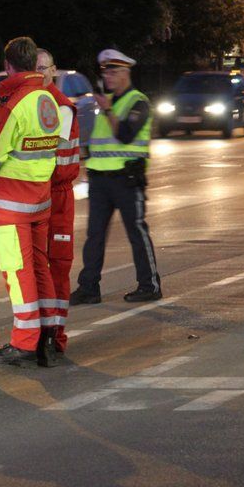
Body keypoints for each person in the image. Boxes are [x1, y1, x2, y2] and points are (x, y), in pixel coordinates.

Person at [0, 37, 70, 368]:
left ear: (8, 66)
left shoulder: (13, 104)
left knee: (17, 271)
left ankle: (24, 342)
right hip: (40, 199)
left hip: (11, 202)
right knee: (39, 267)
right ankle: (47, 333)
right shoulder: (47, 99)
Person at [71, 49, 162, 305]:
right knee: (94, 236)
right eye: (105, 73)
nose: (108, 77)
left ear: (125, 73)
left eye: (113, 72)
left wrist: (109, 110)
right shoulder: (103, 103)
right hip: (100, 180)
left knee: (137, 233)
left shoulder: (138, 102)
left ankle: (149, 285)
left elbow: (124, 135)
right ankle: (89, 288)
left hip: (127, 179)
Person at [39, 49, 81, 357]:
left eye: (44, 68)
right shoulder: (35, 103)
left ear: (54, 71)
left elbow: (58, 159)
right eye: (34, 67)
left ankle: (55, 336)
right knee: (36, 269)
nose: (39, 73)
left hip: (57, 197)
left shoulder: (60, 107)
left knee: (57, 268)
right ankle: (40, 333)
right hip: (40, 195)